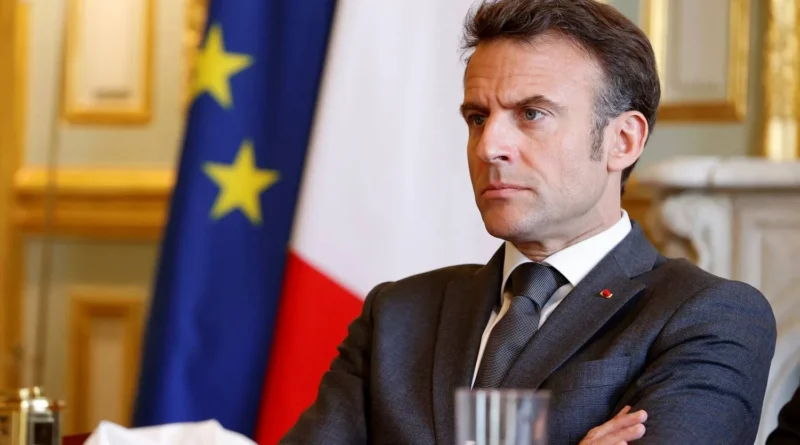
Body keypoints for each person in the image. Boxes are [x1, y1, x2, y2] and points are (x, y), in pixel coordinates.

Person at [279, 0, 777, 443]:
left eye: (531, 114)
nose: (489, 146)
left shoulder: (708, 316)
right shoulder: (396, 313)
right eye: (477, 118)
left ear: (623, 141)